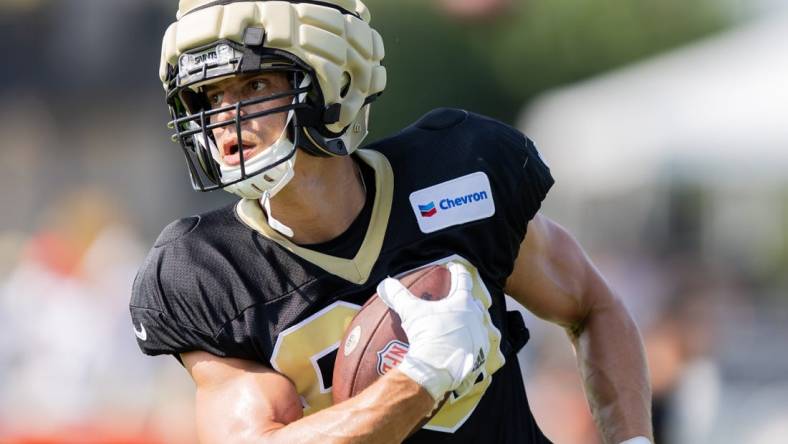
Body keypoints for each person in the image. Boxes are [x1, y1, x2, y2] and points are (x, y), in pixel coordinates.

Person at [130, 1, 653, 442]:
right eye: (212, 97)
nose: (226, 119)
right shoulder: (207, 269)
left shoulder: (457, 172)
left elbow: (593, 306)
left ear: (330, 79)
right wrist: (420, 379)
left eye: (254, 85)